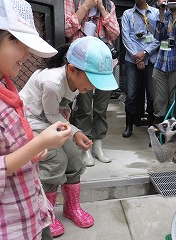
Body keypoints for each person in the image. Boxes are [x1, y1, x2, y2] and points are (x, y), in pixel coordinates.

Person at [0, 0, 72, 239]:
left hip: (30, 209)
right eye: (18, 42)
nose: (27, 53)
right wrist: (39, 143)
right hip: (6, 224)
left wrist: (32, 145)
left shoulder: (3, 82)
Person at [19, 36, 118, 238]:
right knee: (55, 160)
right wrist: (76, 131)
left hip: (51, 122)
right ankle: (46, 213)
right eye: (92, 81)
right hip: (32, 122)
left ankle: (71, 208)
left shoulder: (75, 81)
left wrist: (67, 115)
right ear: (72, 69)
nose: (94, 87)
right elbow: (50, 116)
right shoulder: (52, 82)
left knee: (74, 157)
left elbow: (59, 110)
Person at [65, 0, 120, 166]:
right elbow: (67, 30)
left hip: (104, 65)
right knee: (84, 107)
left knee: (101, 108)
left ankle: (98, 145)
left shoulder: (108, 4)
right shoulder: (72, 2)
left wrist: (102, 9)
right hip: (83, 66)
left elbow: (115, 33)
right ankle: (85, 147)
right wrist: (86, 7)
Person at [121, 0, 160, 138]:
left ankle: (151, 126)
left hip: (150, 58)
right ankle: (129, 126)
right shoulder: (127, 14)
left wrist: (144, 53)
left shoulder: (156, 13)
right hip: (132, 60)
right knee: (131, 94)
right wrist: (137, 57)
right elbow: (126, 38)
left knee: (151, 95)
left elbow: (158, 37)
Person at [152, 0, 176, 124]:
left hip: (175, 63)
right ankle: (158, 132)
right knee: (160, 99)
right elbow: (158, 36)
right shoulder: (165, 15)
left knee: (173, 99)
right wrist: (162, 11)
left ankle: (171, 131)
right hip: (161, 62)